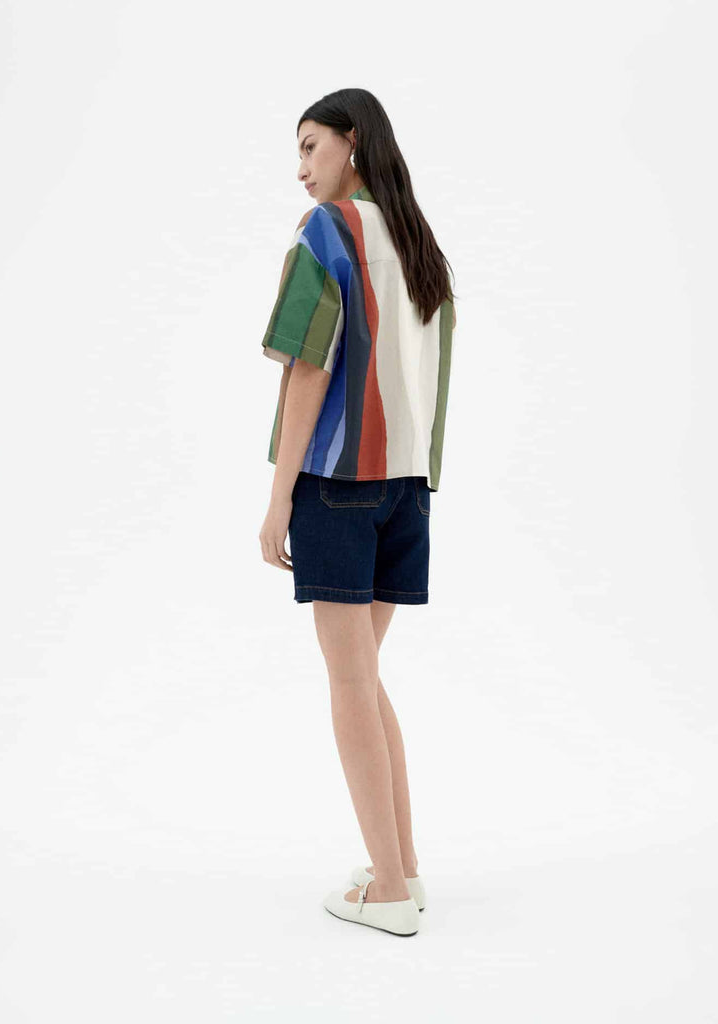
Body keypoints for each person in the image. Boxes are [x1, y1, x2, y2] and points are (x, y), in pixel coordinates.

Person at [258, 88, 456, 936]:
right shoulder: (419, 241)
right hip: (406, 489)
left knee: (349, 684)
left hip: (338, 487)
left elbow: (306, 368)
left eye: (311, 147)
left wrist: (278, 499)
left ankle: (389, 895)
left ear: (351, 141)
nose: (302, 169)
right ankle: (399, 867)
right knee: (365, 679)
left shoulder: (327, 232)